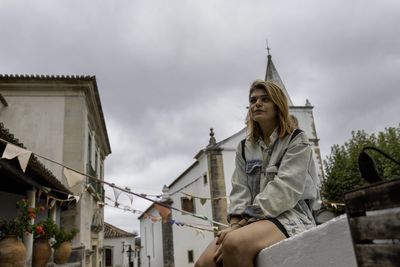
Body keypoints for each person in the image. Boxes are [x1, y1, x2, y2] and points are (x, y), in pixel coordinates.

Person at [195, 80, 320, 267]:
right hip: (251, 220)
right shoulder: (244, 148)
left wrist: (242, 224)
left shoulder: (297, 140)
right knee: (204, 262)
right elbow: (240, 190)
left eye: (264, 99)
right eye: (253, 100)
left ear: (278, 106)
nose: (257, 104)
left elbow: (285, 189)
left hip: (291, 215)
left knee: (235, 244)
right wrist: (234, 224)